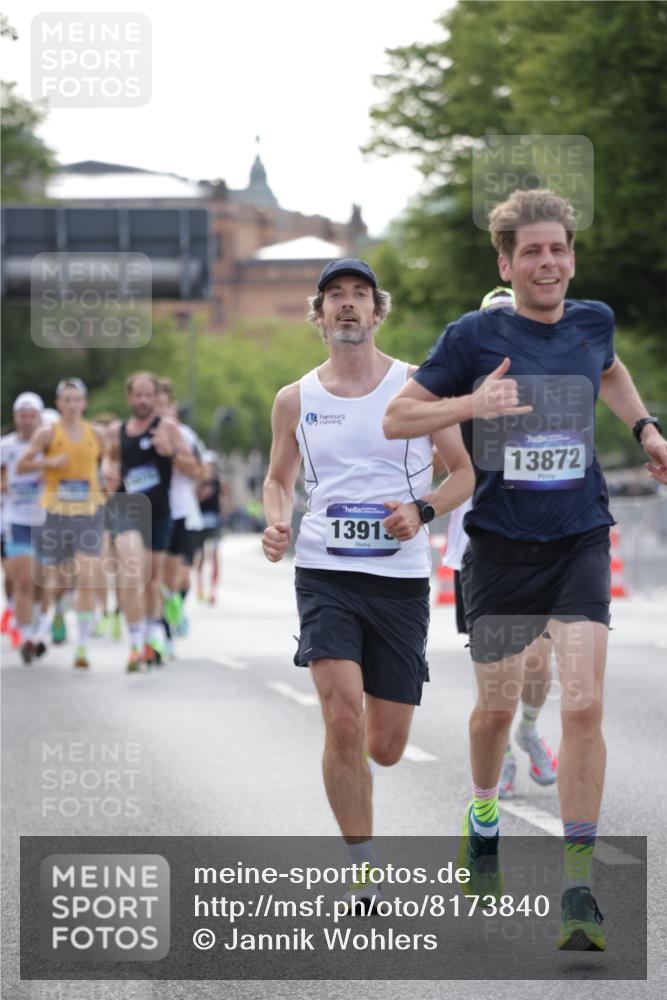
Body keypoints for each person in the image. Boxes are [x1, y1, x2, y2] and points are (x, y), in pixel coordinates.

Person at [383, 189, 667, 951]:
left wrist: (643, 428)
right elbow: (398, 417)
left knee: (581, 708)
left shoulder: (591, 321)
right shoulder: (472, 335)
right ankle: (482, 816)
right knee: (493, 715)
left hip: (578, 537)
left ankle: (578, 889)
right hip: (499, 550)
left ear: (571, 256)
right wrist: (471, 404)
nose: (547, 263)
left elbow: (607, 370)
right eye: (531, 252)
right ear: (505, 263)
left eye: (558, 249)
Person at [262, 258, 474, 906]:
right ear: (319, 315)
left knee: (384, 746)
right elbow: (278, 478)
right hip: (325, 570)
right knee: (341, 716)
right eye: (335, 296)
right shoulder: (295, 398)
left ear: (376, 312)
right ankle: (362, 865)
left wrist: (423, 510)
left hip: (399, 578)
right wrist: (276, 523)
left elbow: (463, 473)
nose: (347, 305)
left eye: (359, 295)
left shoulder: (418, 389)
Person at [446, 288, 558, 798]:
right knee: (497, 675)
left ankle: (529, 729)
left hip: (540, 542)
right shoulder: (457, 396)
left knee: (538, 662)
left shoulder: (543, 389)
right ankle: (502, 753)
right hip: (478, 549)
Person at [103, 372, 200, 670]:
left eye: (148, 395)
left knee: (151, 580)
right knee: (132, 575)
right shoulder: (116, 431)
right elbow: (109, 461)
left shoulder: (168, 428)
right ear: (129, 397)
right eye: (138, 395)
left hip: (159, 512)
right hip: (127, 509)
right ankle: (134, 644)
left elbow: (193, 468)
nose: (143, 400)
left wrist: (170, 452)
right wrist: (107, 472)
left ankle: (151, 634)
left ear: (155, 398)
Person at [17, 378, 107, 670]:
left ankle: (81, 647)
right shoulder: (47, 433)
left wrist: (109, 481)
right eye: (66, 400)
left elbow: (110, 463)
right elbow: (21, 466)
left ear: (84, 403)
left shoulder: (97, 434)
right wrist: (48, 463)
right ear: (58, 404)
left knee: (87, 577)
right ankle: (43, 628)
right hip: (55, 512)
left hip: (89, 511)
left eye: (76, 399)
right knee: (53, 578)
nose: (71, 405)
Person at [0, 393, 50, 663]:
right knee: (22, 580)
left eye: (32, 415)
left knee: (42, 581)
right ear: (16, 416)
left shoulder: (50, 445)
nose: (27, 420)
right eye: (23, 414)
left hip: (46, 521)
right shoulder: (6, 445)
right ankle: (26, 637)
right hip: (16, 518)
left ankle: (41, 625)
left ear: (39, 417)